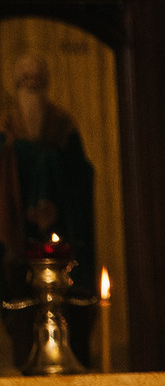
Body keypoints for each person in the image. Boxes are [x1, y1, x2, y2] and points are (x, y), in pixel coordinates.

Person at [2, 53, 96, 276]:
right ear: (17, 83)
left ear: (45, 81)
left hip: (58, 212)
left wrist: (54, 163)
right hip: (18, 210)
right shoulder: (6, 121)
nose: (32, 83)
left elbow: (81, 169)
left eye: (37, 78)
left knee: (49, 156)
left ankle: (43, 206)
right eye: (26, 78)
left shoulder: (62, 121)